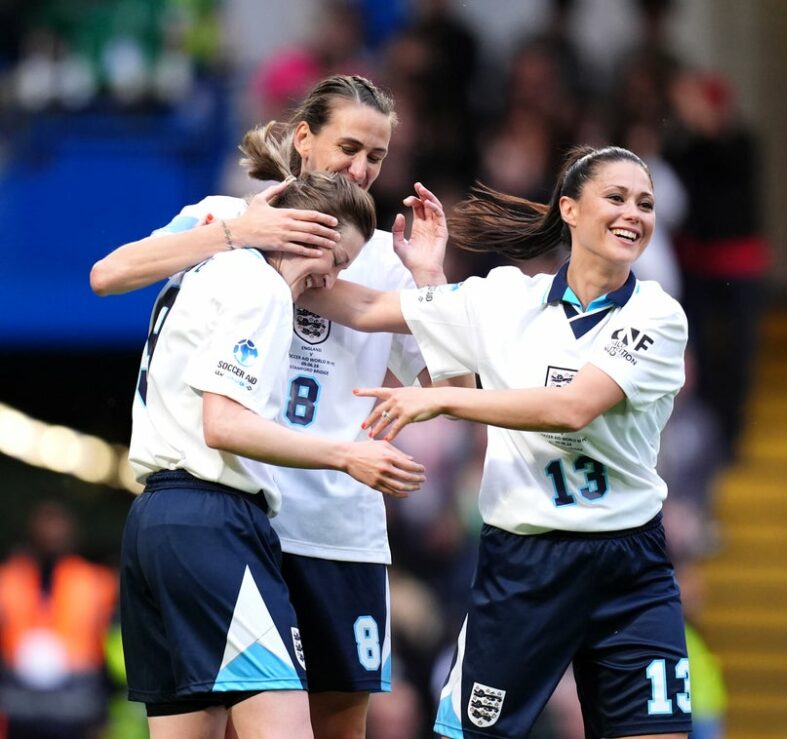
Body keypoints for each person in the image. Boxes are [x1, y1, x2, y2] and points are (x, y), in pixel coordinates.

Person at [91, 74, 453, 739]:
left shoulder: (379, 255)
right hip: (241, 513)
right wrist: (237, 231)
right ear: (304, 137)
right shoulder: (229, 226)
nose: (361, 169)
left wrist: (429, 277)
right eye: (349, 147)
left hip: (334, 529)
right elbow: (108, 274)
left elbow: (450, 388)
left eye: (376, 157)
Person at [302, 144, 693, 739]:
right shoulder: (507, 298)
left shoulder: (658, 315)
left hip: (630, 565)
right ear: (569, 209)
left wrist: (440, 400)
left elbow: (571, 408)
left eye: (645, 203)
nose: (633, 214)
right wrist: (264, 259)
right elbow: (366, 306)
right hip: (526, 562)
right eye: (615, 198)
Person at [0, 501, 117, 739]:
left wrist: (104, 711)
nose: (50, 534)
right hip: (18, 711)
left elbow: (112, 650)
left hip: (77, 712)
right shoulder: (8, 579)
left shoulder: (96, 583)